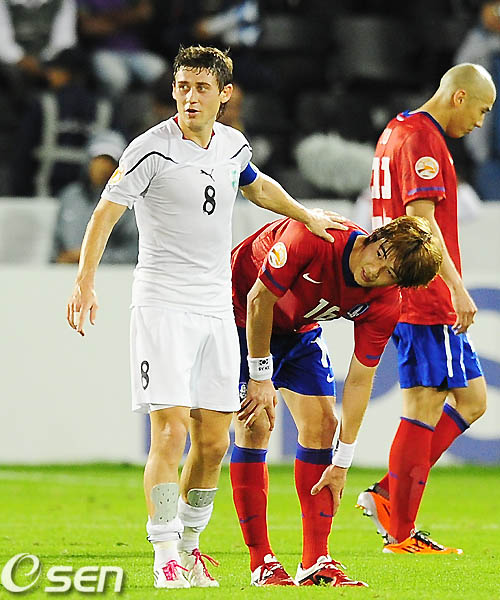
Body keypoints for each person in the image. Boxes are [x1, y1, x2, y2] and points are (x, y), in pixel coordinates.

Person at [65, 45, 346, 589]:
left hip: (218, 311)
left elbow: (256, 185)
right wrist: (85, 280)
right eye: (182, 87)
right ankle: (165, 553)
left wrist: (303, 214)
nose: (190, 97)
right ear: (173, 90)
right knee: (170, 433)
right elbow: (106, 211)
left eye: (201, 88)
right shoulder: (150, 149)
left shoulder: (232, 146)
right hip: (162, 306)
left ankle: (191, 547)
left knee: (214, 442)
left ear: (224, 94)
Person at [230, 215, 443, 586]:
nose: (373, 270)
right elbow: (258, 299)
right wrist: (260, 375)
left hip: (296, 327)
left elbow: (359, 381)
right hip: (236, 315)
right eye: (380, 254)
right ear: (376, 236)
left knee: (323, 426)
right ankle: (261, 562)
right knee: (256, 424)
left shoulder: (385, 303)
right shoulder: (314, 237)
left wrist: (342, 462)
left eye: (389, 273)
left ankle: (315, 561)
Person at [356, 63, 495, 554]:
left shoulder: (397, 129)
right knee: (424, 405)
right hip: (425, 293)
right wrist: (456, 287)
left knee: (473, 400)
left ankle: (388, 494)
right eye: (482, 109)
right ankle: (400, 529)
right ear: (459, 97)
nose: (481, 121)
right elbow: (421, 223)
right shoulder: (423, 140)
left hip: (408, 291)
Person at [52, 130, 137, 264]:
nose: (102, 167)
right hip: (64, 272)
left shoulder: (129, 202)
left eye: (109, 161)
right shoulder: (70, 196)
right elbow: (55, 244)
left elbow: (133, 253)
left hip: (109, 274)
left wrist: (89, 258)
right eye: (97, 159)